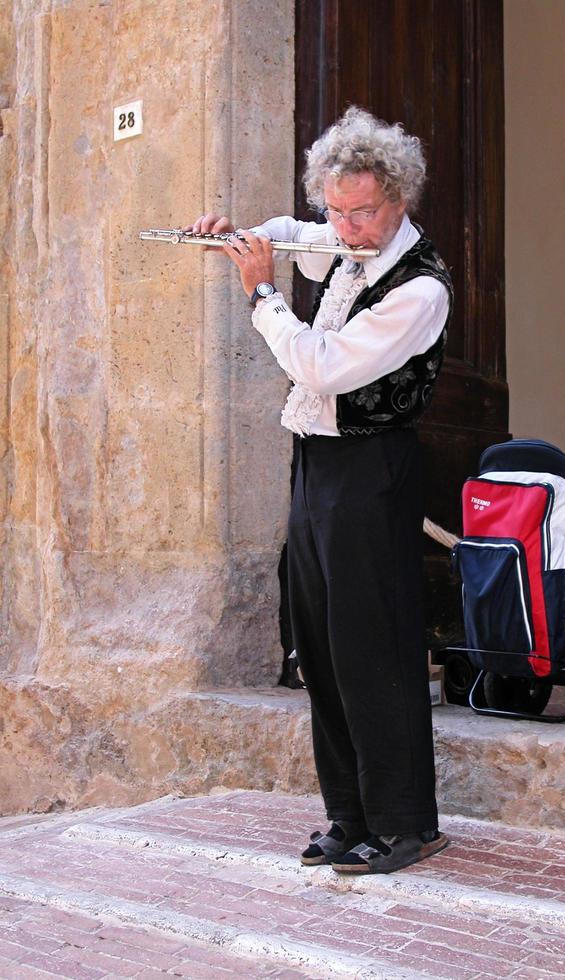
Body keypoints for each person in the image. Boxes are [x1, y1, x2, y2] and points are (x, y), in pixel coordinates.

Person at [189, 107, 452, 874]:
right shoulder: (338, 241)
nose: (344, 227)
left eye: (360, 211)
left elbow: (323, 367)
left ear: (399, 198)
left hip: (373, 472)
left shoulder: (420, 289)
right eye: (333, 211)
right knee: (323, 648)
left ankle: (405, 825)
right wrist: (239, 235)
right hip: (317, 463)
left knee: (374, 649)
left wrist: (259, 293)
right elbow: (286, 232)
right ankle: (348, 815)